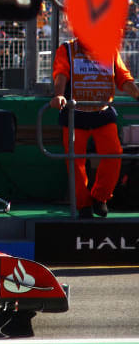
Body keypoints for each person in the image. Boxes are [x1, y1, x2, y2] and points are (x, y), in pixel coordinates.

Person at [50, 38, 139, 217]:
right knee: (75, 161)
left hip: (102, 111)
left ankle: (101, 197)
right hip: (75, 114)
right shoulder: (67, 50)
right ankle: (83, 205)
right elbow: (61, 73)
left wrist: (137, 95)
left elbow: (122, 77)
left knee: (114, 154)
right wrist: (59, 95)